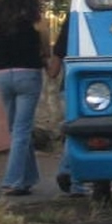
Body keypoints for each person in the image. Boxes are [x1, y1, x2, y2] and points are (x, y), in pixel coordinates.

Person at [0, 0, 49, 196]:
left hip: (3, 75)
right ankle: (13, 180)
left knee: (17, 129)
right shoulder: (35, 19)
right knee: (22, 130)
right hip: (28, 75)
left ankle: (28, 178)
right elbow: (45, 48)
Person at [47, 19, 89, 197]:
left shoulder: (65, 37)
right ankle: (72, 177)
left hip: (67, 89)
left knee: (72, 132)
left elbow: (53, 72)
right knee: (79, 135)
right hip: (89, 92)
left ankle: (70, 174)